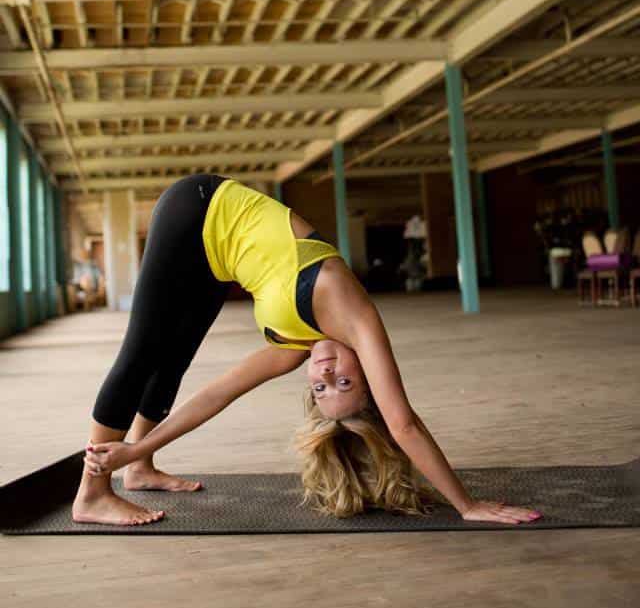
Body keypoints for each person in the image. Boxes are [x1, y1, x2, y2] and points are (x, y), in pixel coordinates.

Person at [74, 173, 542, 527]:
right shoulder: (358, 317)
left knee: (172, 359)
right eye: (345, 381)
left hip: (214, 258)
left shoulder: (291, 347)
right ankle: (92, 492)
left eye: (322, 387)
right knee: (141, 351)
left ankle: (138, 470)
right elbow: (403, 423)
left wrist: (138, 448)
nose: (327, 368)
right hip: (199, 209)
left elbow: (216, 394)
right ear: (369, 379)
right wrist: (467, 505)